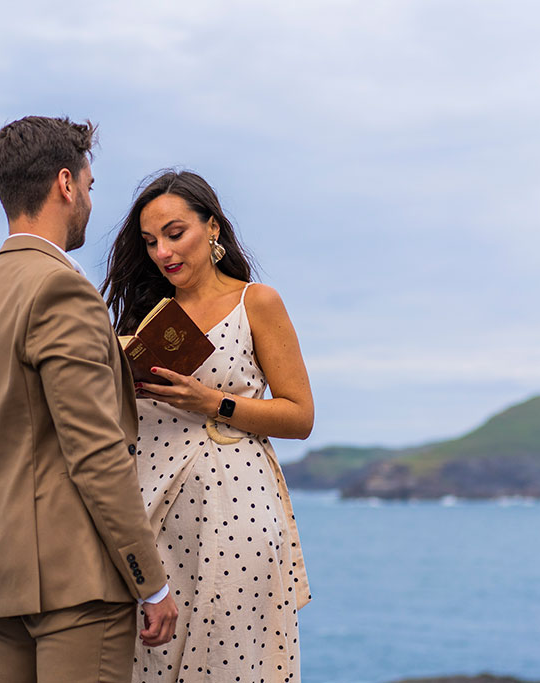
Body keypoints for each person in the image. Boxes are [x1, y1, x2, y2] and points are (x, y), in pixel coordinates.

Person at [0, 116, 178, 683]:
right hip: (76, 588)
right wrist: (152, 582)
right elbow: (95, 454)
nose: (90, 202)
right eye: (90, 187)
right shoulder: (60, 289)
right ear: (65, 184)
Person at [102, 170, 313, 683]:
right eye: (150, 242)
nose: (163, 253)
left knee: (235, 664)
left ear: (212, 227)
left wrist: (212, 402)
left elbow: (300, 416)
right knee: (147, 660)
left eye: (176, 234)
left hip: (234, 513)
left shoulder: (255, 302)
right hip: (149, 514)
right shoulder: (147, 317)